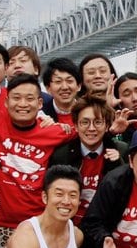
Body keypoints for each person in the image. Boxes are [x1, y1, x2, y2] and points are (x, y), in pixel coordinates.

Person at [0, 73, 76, 229]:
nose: (23, 104)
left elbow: (87, 130)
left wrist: (112, 126)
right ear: (6, 102)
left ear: (39, 104)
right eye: (16, 98)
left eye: (29, 99)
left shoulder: (52, 131)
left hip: (36, 223)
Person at [48, 95, 129, 225]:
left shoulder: (121, 150)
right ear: (75, 125)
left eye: (98, 122)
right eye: (85, 122)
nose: (91, 128)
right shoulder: (62, 154)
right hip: (68, 224)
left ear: (107, 125)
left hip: (106, 225)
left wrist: (119, 164)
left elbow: (127, 193)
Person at [42, 58, 81, 124]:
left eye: (69, 81)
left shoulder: (89, 111)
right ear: (48, 88)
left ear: (79, 86)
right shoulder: (41, 115)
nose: (64, 87)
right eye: (58, 82)